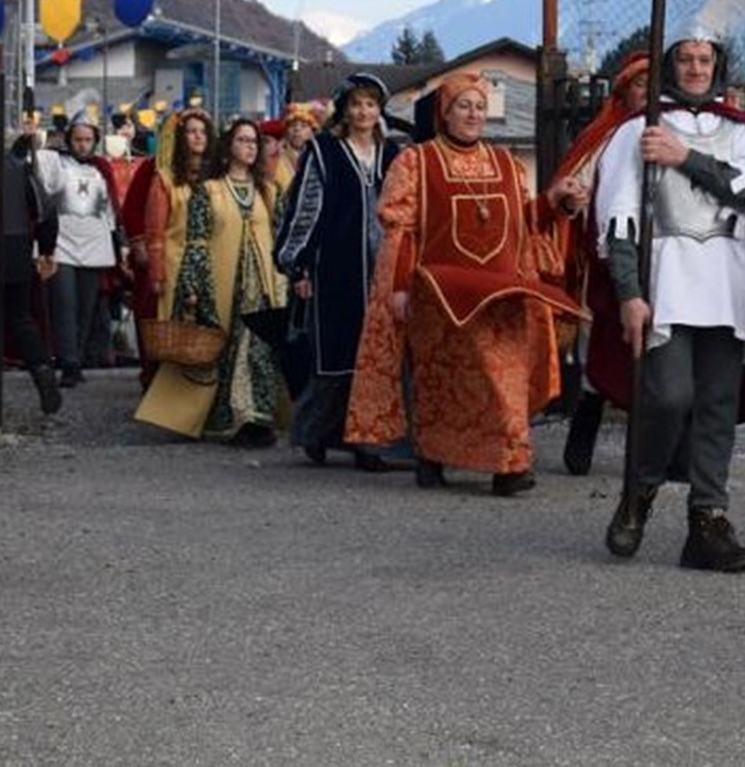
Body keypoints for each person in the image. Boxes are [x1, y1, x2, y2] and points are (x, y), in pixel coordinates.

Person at [344, 73, 586, 496]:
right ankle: (432, 455)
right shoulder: (416, 162)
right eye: (464, 106)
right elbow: (401, 231)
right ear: (445, 112)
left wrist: (555, 202)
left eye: (479, 106)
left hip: (501, 296)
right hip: (440, 297)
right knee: (441, 384)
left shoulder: (506, 163)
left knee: (503, 379)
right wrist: (399, 288)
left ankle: (511, 466)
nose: (473, 114)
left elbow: (522, 223)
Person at [599, 35, 745, 572]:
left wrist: (683, 156)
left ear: (717, 65)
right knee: (669, 397)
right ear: (671, 65)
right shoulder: (638, 129)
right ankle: (640, 491)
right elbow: (618, 216)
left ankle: (708, 520)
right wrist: (629, 293)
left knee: (718, 403)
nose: (695, 68)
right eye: (685, 59)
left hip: (728, 284)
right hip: (666, 284)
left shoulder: (742, 132)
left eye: (704, 59)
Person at [274, 72, 405, 471]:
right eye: (356, 104)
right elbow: (305, 208)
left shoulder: (393, 154)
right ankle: (314, 431)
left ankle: (368, 441)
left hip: (383, 268)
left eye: (371, 104)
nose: (363, 112)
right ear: (344, 110)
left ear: (379, 111)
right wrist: (299, 264)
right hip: (335, 266)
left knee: (377, 358)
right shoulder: (324, 152)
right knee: (336, 359)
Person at [135, 118, 288, 445]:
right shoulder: (208, 190)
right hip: (221, 287)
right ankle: (226, 420)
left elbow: (280, 238)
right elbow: (196, 242)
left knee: (258, 350)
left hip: (261, 287)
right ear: (228, 147)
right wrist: (191, 285)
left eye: (254, 141)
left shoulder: (268, 190)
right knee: (225, 352)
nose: (250, 147)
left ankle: (255, 419)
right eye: (242, 140)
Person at [552, 52, 649, 476]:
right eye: (640, 84)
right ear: (624, 92)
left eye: (655, 85)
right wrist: (572, 200)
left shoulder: (675, 132)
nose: (648, 93)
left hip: (660, 259)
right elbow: (571, 191)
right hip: (607, 257)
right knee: (600, 342)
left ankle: (649, 451)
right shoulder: (604, 138)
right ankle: (584, 429)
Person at [35, 119, 128, 385]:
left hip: (95, 245)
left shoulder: (102, 169)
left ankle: (77, 356)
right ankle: (68, 363)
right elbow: (40, 172)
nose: (83, 145)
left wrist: (120, 244)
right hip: (62, 245)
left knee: (86, 309)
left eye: (88, 140)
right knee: (64, 305)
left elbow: (110, 210)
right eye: (78, 139)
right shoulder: (56, 163)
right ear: (69, 140)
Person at [125, 107, 213, 386]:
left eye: (202, 132)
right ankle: (157, 380)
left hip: (208, 260)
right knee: (159, 318)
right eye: (191, 132)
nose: (197, 137)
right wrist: (143, 246)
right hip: (169, 259)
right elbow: (135, 211)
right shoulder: (158, 172)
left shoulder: (216, 175)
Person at [0, 130, 63, 415]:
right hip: (16, 248)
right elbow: (47, 211)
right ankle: (41, 369)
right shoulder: (19, 168)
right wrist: (47, 250)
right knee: (20, 318)